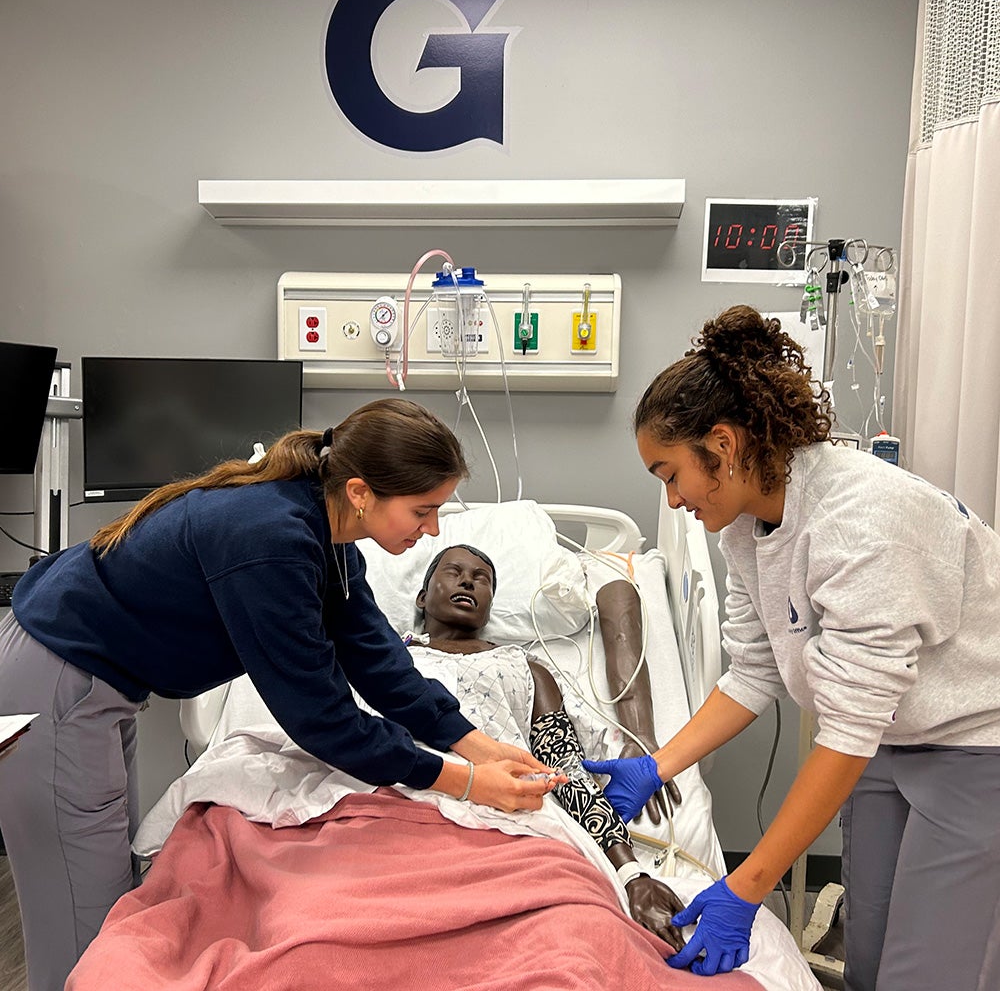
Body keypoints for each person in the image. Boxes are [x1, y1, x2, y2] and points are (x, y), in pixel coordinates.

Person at [0, 397, 558, 991]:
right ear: (362, 491)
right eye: (424, 511)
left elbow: (376, 659)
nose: (434, 529)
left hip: (98, 681)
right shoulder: (269, 539)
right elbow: (322, 719)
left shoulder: (331, 538)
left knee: (112, 906)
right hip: (56, 679)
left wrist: (476, 745)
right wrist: (466, 782)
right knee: (86, 951)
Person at [583, 305, 1000, 989]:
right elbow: (754, 669)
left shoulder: (864, 521)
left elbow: (846, 728)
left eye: (668, 474)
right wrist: (657, 767)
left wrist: (746, 889)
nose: (673, 497)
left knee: (931, 972)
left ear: (721, 446)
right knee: (870, 959)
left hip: (978, 742)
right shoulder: (743, 527)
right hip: (891, 740)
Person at [412, 542, 687, 952]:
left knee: (570, 943)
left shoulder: (526, 668)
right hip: (412, 805)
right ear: (421, 597)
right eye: (453, 572)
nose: (468, 580)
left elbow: (564, 770)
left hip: (508, 821)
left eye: (482, 578)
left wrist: (632, 875)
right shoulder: (387, 659)